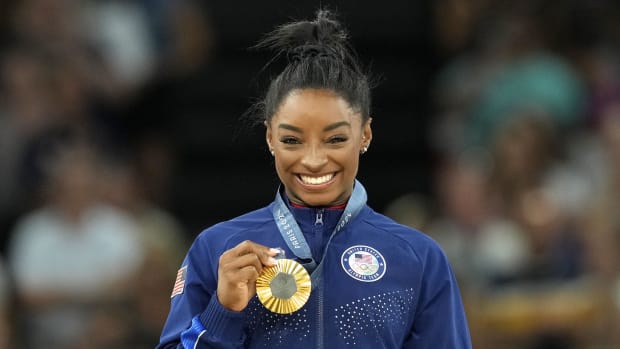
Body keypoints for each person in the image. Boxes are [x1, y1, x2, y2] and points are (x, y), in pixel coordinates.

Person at [157, 10, 471, 349]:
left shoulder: (418, 258)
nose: (314, 159)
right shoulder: (217, 250)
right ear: (270, 139)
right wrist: (223, 312)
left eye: (335, 139)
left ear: (365, 134)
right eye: (292, 140)